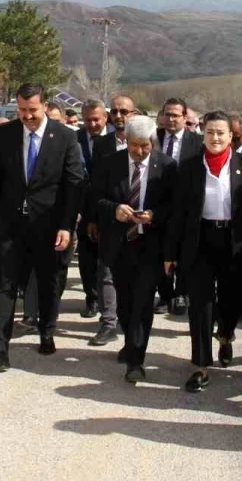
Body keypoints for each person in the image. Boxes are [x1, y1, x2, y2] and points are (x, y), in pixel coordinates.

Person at [0, 83, 83, 369]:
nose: (26, 116)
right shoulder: (6, 134)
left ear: (45, 106)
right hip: (10, 224)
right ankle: (0, 348)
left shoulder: (64, 137)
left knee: (48, 283)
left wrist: (66, 226)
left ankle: (46, 330)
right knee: (6, 283)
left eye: (32, 110)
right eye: (21, 110)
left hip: (48, 226)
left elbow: (73, 185)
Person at [165, 111, 242, 392]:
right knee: (200, 304)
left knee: (232, 301)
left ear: (231, 136)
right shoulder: (190, 166)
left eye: (221, 133)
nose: (215, 138)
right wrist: (170, 253)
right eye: (210, 133)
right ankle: (200, 365)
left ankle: (226, 335)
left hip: (235, 244)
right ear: (202, 135)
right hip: (200, 243)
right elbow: (178, 214)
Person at [94, 115, 177, 382]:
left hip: (149, 246)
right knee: (126, 304)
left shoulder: (167, 166)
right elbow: (94, 199)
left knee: (142, 303)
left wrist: (153, 214)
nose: (140, 152)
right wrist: (114, 209)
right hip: (120, 245)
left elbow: (173, 206)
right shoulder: (110, 165)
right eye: (134, 146)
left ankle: (136, 361)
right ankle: (131, 341)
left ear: (153, 141)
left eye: (145, 146)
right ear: (125, 141)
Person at [85, 93, 138, 345]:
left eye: (123, 112)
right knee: (106, 272)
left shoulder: (146, 140)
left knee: (133, 274)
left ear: (133, 113)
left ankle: (133, 323)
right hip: (110, 216)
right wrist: (94, 218)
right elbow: (96, 185)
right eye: (114, 111)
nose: (118, 116)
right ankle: (108, 323)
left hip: (139, 219)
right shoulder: (102, 144)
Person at [154, 97, 203, 315]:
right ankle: (164, 295)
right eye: (167, 114)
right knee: (159, 251)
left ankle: (182, 293)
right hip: (158, 203)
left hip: (186, 206)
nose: (171, 119)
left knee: (184, 251)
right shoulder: (153, 137)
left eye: (176, 115)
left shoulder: (198, 142)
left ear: (185, 117)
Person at [76, 100, 110, 318]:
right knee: (86, 257)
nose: (93, 124)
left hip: (108, 205)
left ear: (105, 118)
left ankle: (110, 303)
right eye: (88, 120)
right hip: (83, 206)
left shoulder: (116, 138)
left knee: (107, 258)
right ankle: (92, 298)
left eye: (96, 119)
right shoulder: (75, 139)